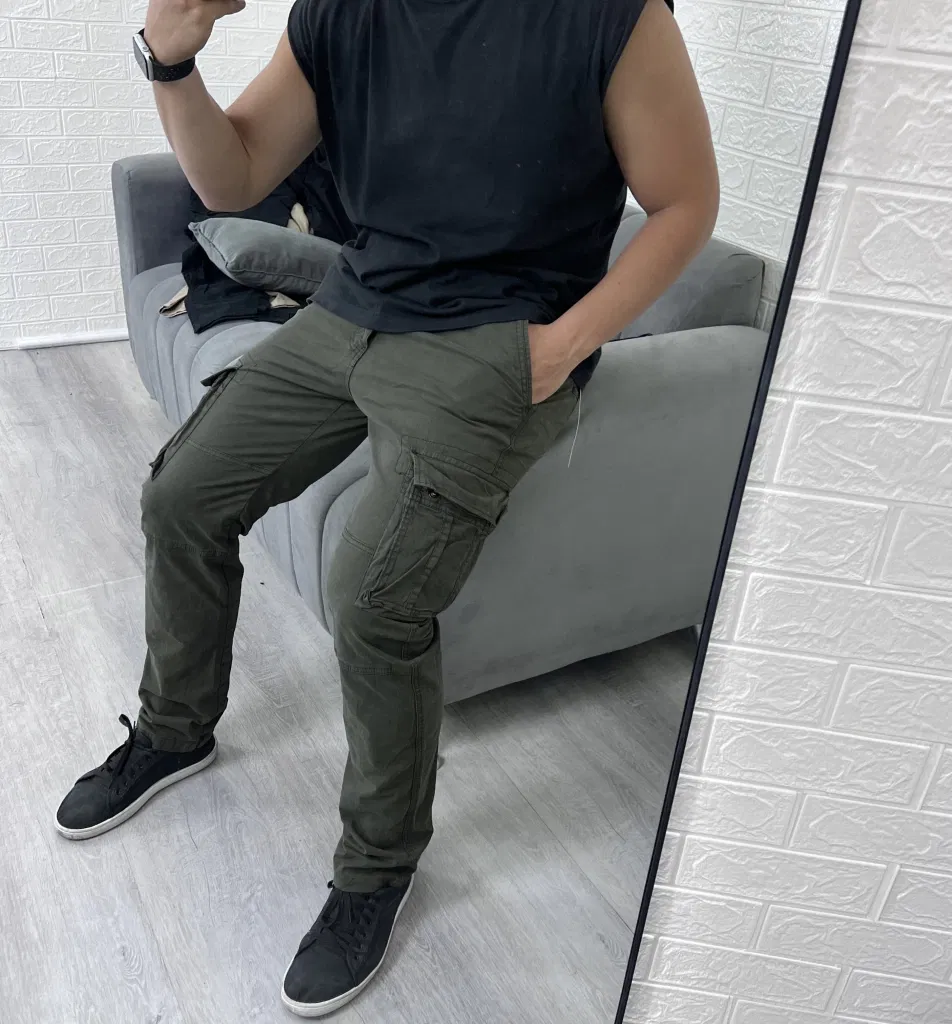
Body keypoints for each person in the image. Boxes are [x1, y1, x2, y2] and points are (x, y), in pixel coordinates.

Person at [54, 0, 719, 1015]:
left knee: (374, 597)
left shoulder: (609, 16)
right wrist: (172, 64)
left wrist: (561, 347)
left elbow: (684, 204)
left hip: (496, 342)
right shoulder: (342, 11)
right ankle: (176, 728)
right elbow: (233, 177)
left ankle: (376, 867)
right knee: (182, 495)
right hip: (355, 307)